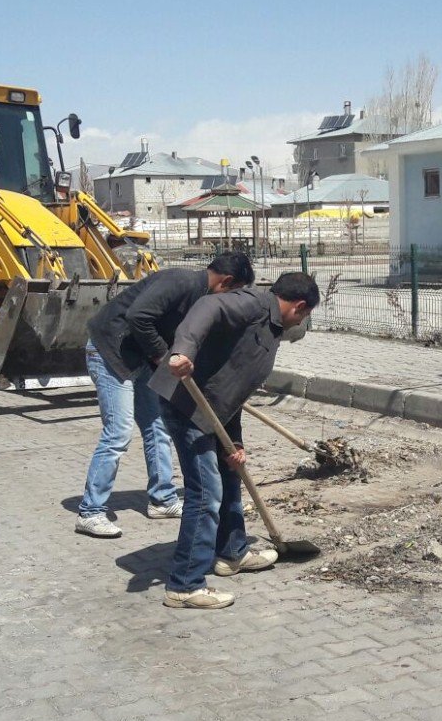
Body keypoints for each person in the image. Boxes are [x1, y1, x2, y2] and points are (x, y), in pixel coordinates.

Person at [150, 272, 319, 609]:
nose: (301, 323)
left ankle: (231, 553)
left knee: (230, 475)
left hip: (215, 411)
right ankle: (185, 584)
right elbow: (206, 308)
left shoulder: (271, 328)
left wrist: (235, 443)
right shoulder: (255, 303)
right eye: (305, 316)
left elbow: (234, 389)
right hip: (187, 404)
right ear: (299, 307)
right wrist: (183, 351)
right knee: (205, 494)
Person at [75, 252, 255, 539]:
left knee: (157, 426)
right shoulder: (179, 281)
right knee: (118, 432)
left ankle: (163, 499)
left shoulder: (201, 299)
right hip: (110, 352)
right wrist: (162, 355)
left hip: (140, 358)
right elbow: (138, 316)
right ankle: (90, 511)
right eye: (235, 293)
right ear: (227, 282)